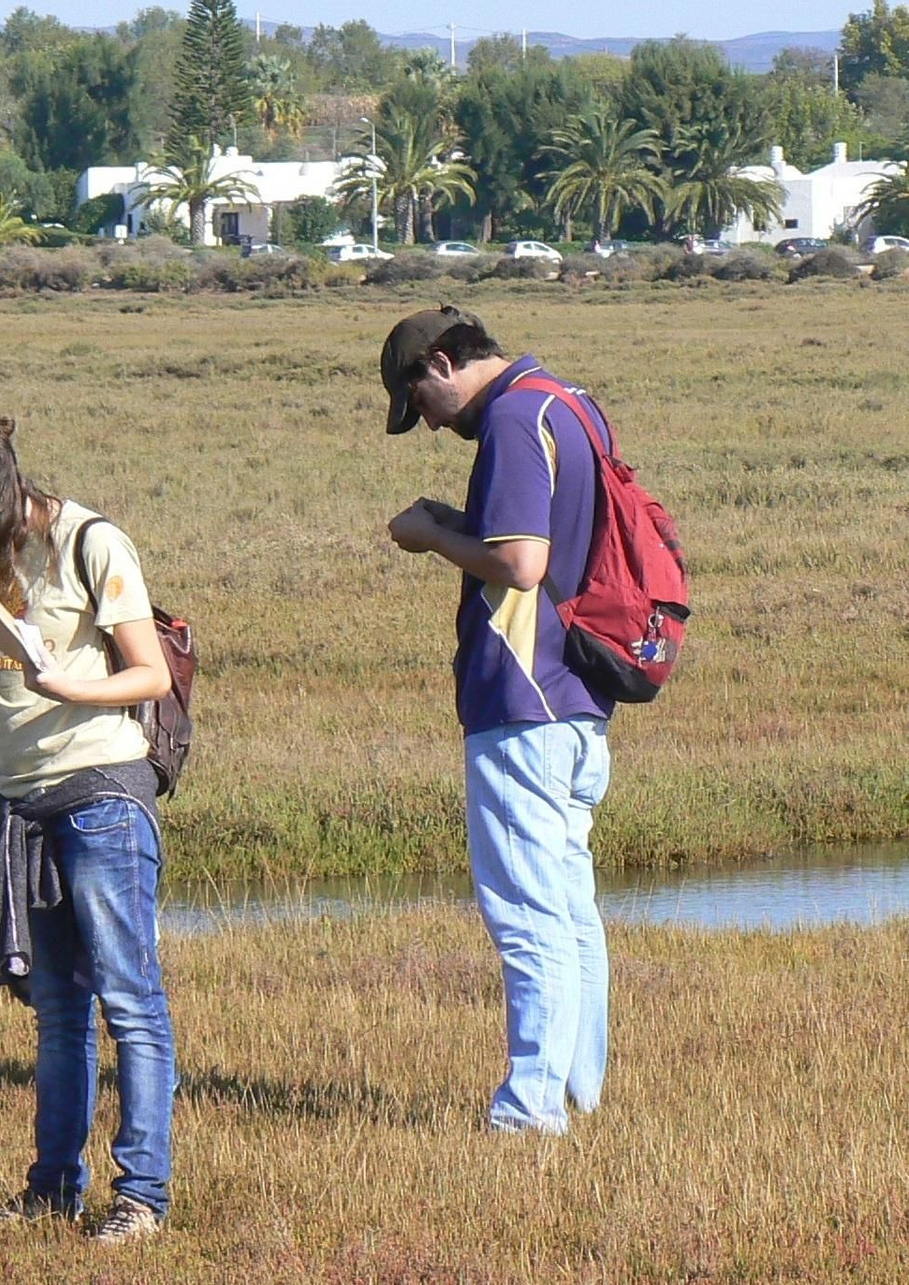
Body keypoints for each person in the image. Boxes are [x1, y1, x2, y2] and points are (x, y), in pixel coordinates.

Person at [0, 415, 175, 1244]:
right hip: (22, 801)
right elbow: (3, 696)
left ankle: (143, 1196)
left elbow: (150, 672)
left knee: (129, 1000)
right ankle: (53, 1186)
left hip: (101, 792)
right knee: (58, 1010)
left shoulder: (92, 541)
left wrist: (64, 682)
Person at [380, 306, 615, 1135]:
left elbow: (520, 562)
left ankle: (529, 1111)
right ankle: (578, 1088)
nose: (432, 425)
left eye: (421, 402)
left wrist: (429, 539)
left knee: (527, 914)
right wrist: (453, 521)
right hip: (578, 699)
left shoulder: (514, 419)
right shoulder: (567, 400)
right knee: (570, 905)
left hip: (524, 700)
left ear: (442, 363)